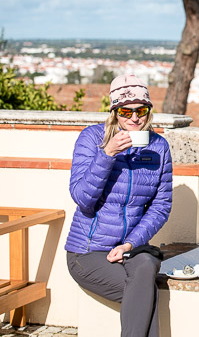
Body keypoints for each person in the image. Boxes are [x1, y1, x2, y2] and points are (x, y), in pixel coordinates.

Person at [65, 74, 172, 337]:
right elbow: (82, 199)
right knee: (144, 294)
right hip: (87, 251)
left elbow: (160, 206)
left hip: (130, 249)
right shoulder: (92, 139)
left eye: (141, 111)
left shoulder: (159, 147)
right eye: (126, 111)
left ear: (149, 111)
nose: (134, 118)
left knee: (146, 264)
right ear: (114, 112)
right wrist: (107, 154)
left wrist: (130, 244)